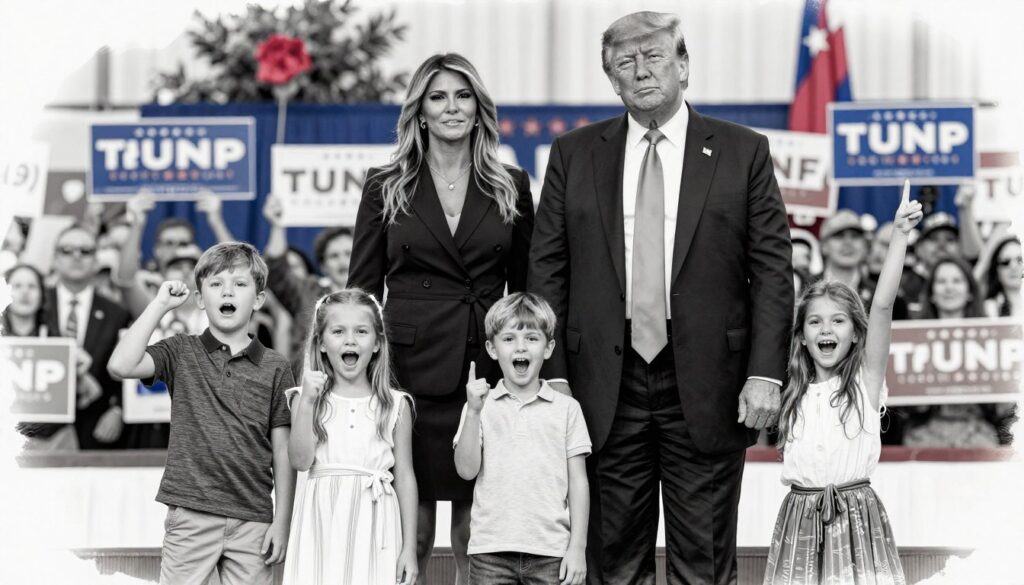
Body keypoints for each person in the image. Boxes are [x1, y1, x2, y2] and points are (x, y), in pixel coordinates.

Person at [527, 12, 793, 583]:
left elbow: (772, 269)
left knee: (703, 561)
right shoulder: (574, 154)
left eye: (654, 57)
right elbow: (546, 270)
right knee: (612, 562)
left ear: (684, 66)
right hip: (602, 384)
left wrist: (766, 374)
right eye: (626, 62)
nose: (642, 71)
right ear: (612, 80)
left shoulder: (742, 150)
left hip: (710, 383)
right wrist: (552, 373)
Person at [348, 52, 534, 583]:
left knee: (477, 529)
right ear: (420, 112)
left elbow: (527, 292)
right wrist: (359, 375)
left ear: (478, 109)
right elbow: (361, 290)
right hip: (410, 371)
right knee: (415, 530)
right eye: (438, 97)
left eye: (462, 96)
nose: (451, 107)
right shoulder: (384, 184)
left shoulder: (511, 183)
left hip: (486, 373)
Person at [107, 242, 296, 585]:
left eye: (240, 284)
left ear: (258, 299)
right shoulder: (181, 350)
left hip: (253, 518)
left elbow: (282, 452)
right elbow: (121, 364)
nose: (228, 291)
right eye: (216, 284)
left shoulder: (277, 366)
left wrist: (282, 522)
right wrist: (160, 304)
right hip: (191, 514)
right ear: (199, 298)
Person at [764, 182, 921, 585]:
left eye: (838, 320)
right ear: (800, 335)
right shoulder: (790, 390)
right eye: (815, 321)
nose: (826, 329)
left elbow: (883, 306)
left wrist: (900, 235)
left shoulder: (865, 383)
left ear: (855, 333)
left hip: (858, 519)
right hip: (799, 521)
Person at [282, 289, 418, 584]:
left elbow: (405, 476)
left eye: (361, 331)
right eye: (338, 331)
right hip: (320, 522)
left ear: (378, 343)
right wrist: (306, 402)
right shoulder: (304, 400)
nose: (350, 340)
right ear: (320, 344)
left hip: (376, 522)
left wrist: (409, 548)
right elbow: (300, 461)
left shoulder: (395, 405)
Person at [453, 293, 590, 585]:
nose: (520, 347)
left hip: (551, 552)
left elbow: (578, 482)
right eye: (509, 339)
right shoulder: (479, 405)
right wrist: (474, 413)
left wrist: (578, 547)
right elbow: (466, 470)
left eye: (531, 338)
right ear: (492, 348)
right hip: (490, 553)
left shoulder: (567, 409)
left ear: (549, 347)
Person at [47, 223, 132, 449]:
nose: (76, 256)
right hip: (42, 428)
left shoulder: (117, 313)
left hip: (97, 428)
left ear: (96, 261)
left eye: (85, 251)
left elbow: (129, 365)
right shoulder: (36, 307)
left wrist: (119, 409)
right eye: (67, 250)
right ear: (55, 259)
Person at [5, 263, 101, 451]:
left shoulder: (58, 341)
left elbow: (92, 395)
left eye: (32, 286)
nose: (25, 292)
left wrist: (80, 373)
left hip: (56, 441)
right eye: (16, 286)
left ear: (42, 295)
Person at [263, 196, 352, 378]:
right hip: (310, 391)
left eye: (348, 254)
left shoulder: (375, 297)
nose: (342, 261)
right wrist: (277, 226)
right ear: (323, 266)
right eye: (334, 256)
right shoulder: (309, 292)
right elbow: (276, 271)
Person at [979, 234, 1022, 318]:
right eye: (1005, 262)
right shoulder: (988, 309)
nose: (1013, 267)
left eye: (1020, 260)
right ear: (996, 269)